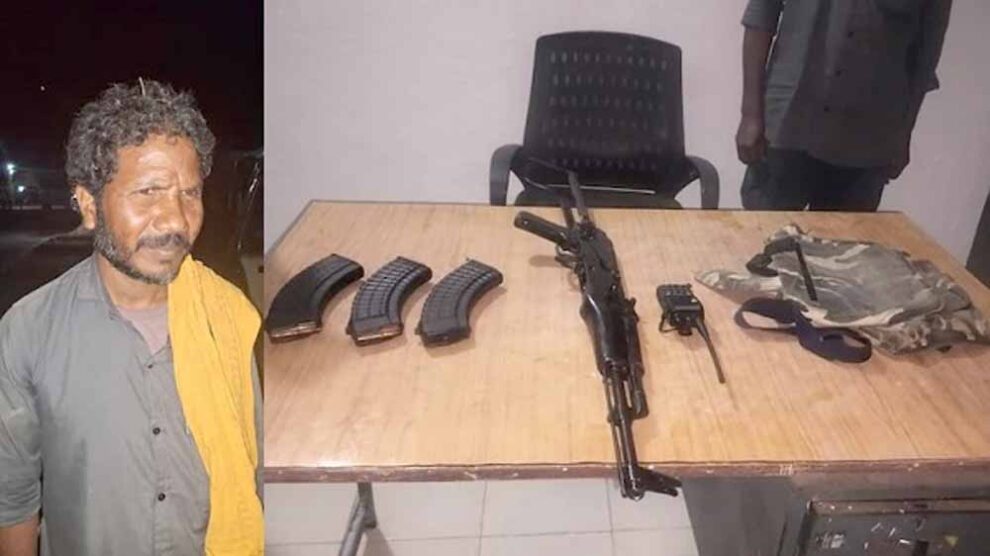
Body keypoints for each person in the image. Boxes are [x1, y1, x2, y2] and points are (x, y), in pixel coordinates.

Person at [0, 80, 263, 556]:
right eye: (148, 192)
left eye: (189, 193)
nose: (176, 220)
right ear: (89, 205)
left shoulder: (227, 318)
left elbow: (255, 468)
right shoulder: (28, 331)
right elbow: (13, 499)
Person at [736, 0, 953, 211]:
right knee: (764, 232)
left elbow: (926, 56)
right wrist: (750, 114)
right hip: (787, 125)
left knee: (848, 236)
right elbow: (761, 16)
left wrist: (904, 135)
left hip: (867, 143)